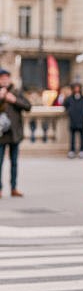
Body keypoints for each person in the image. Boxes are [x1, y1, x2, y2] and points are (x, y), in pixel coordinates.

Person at [0, 68, 31, 198]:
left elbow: (28, 106)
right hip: (1, 134)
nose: (5, 80)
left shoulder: (16, 92)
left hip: (15, 134)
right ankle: (0, 189)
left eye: (6, 77)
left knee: (14, 162)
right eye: (2, 78)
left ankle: (14, 187)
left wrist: (14, 100)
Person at [63, 82, 83, 158]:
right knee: (72, 137)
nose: (77, 89)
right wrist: (69, 112)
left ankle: (82, 150)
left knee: (82, 137)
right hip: (73, 120)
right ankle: (72, 150)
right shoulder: (69, 98)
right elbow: (65, 105)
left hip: (81, 120)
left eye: (78, 88)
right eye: (75, 88)